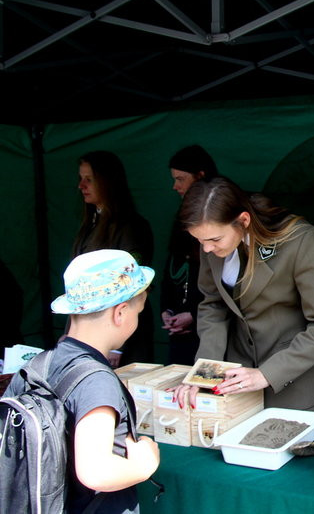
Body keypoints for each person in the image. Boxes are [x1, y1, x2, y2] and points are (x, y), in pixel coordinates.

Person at [170, 177, 314, 414]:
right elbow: (213, 305)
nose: (207, 249)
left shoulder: (300, 241)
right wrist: (204, 374)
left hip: (295, 387)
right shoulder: (210, 246)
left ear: (243, 220)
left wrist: (267, 373)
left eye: (214, 240)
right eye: (199, 241)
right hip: (236, 387)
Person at [5, 249, 160, 513]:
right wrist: (145, 466)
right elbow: (96, 472)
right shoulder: (97, 381)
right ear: (120, 313)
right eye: (138, 311)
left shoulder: (36, 366)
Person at [73, 150, 154, 366]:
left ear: (107, 182)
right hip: (93, 338)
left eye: (89, 180)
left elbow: (131, 288)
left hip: (123, 339)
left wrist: (118, 346)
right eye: (81, 179)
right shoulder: (91, 224)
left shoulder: (131, 227)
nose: (81, 186)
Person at [161, 145, 218, 365]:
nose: (175, 186)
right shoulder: (181, 218)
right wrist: (167, 309)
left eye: (180, 179)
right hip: (179, 331)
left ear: (200, 176)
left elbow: (224, 293)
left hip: (208, 334)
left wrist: (194, 315)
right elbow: (171, 269)